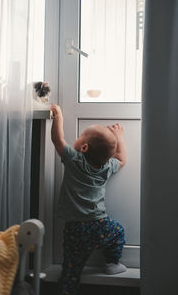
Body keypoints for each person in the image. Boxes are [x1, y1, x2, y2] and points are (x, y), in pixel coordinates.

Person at [51, 103, 127, 295]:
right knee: (118, 231)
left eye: (80, 137)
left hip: (75, 229)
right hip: (99, 224)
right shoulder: (107, 167)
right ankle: (112, 263)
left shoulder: (74, 160)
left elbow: (57, 140)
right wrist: (119, 139)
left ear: (83, 147)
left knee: (71, 269)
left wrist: (58, 115)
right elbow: (122, 159)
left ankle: (67, 290)